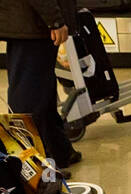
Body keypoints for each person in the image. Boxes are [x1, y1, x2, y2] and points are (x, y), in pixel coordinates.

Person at [0, 0, 80, 175]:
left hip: (33, 23)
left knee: (42, 91)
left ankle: (59, 151)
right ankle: (32, 167)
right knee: (28, 98)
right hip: (32, 23)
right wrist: (55, 20)